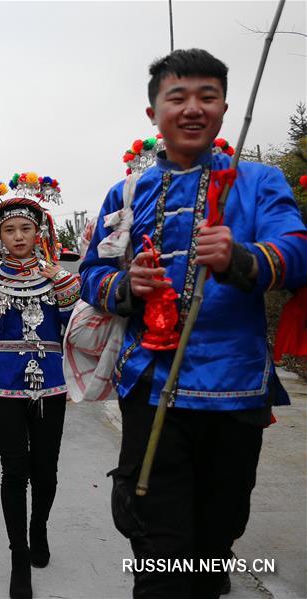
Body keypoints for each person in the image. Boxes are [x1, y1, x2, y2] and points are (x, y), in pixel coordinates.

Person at [79, 48, 307, 598]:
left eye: (207, 96)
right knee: (156, 537)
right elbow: (91, 276)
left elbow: (298, 252)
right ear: (153, 111)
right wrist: (124, 286)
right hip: (151, 388)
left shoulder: (256, 182)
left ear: (225, 107)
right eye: (177, 97)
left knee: (215, 536)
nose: (192, 108)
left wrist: (243, 257)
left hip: (235, 392)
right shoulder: (126, 193)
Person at [0, 174, 80, 599]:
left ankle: (39, 526)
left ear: (39, 232)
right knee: (14, 470)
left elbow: (76, 330)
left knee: (45, 470)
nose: (17, 236)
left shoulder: (59, 279)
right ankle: (18, 556)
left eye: (25, 229)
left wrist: (66, 285)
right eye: (8, 230)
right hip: (2, 384)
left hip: (50, 384)